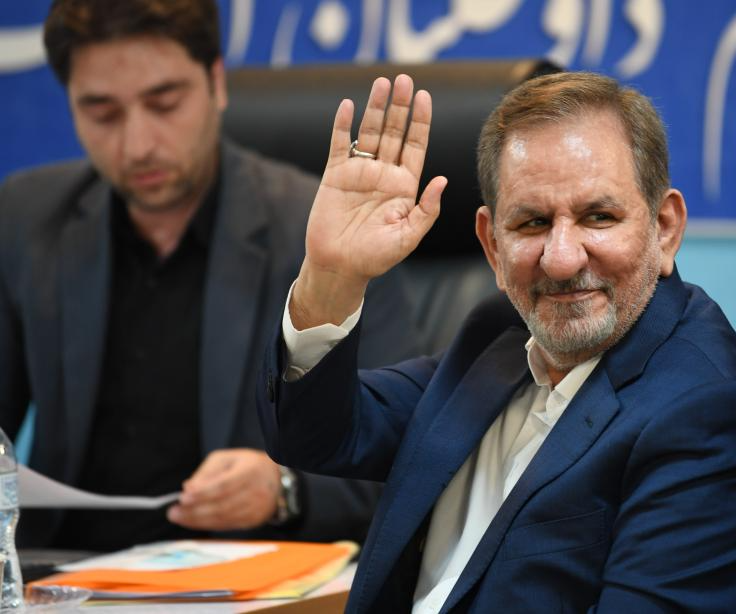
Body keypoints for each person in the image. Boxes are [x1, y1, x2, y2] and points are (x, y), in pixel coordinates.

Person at [258, 71, 736, 612]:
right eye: (533, 223)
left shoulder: (711, 418)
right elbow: (317, 435)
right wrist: (332, 276)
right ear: (493, 248)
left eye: (598, 217)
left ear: (664, 228)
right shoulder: (502, 334)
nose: (562, 259)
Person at [0, 0, 421, 551]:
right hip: (66, 572)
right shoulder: (28, 217)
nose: (138, 145)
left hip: (247, 574)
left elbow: (398, 455)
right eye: (103, 113)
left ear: (216, 84)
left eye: (165, 103)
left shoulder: (324, 233)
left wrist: (285, 490)